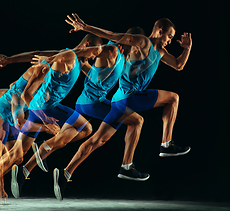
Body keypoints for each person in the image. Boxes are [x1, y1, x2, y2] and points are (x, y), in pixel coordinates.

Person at [52, 13, 192, 200]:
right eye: (169, 36)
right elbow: (114, 35)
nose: (170, 40)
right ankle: (165, 144)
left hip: (121, 102)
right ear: (159, 31)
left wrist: (187, 48)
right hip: (129, 96)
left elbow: (179, 65)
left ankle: (66, 173)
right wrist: (86, 27)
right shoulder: (144, 42)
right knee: (173, 98)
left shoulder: (161, 53)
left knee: (99, 140)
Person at [0, 34, 105, 200]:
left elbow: (37, 53)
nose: (95, 56)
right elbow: (36, 62)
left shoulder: (73, 58)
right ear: (87, 44)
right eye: (95, 52)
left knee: (16, 155)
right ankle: (42, 149)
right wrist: (10, 61)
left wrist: (9, 60)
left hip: (31, 109)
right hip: (30, 109)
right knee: (85, 128)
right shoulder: (63, 58)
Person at [23, 28, 149, 191]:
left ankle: (55, 171)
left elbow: (87, 66)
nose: (140, 51)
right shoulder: (112, 49)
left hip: (88, 103)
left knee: (96, 140)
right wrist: (50, 58)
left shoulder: (122, 58)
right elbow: (80, 51)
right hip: (92, 103)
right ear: (131, 41)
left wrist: (86, 67)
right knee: (137, 120)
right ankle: (127, 166)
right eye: (140, 46)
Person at [0, 61, 60, 201]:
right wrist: (46, 128)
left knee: (16, 156)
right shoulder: (14, 97)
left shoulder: (25, 90)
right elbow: (20, 122)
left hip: (2, 118)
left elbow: (14, 87)